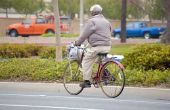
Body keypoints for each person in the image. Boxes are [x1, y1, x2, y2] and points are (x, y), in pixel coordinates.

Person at [74, 4, 112, 88]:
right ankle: (105, 74)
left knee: (86, 61)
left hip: (97, 47)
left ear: (93, 13)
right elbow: (109, 32)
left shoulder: (92, 21)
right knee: (98, 60)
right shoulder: (106, 21)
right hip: (107, 46)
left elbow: (84, 35)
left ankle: (86, 82)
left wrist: (77, 43)